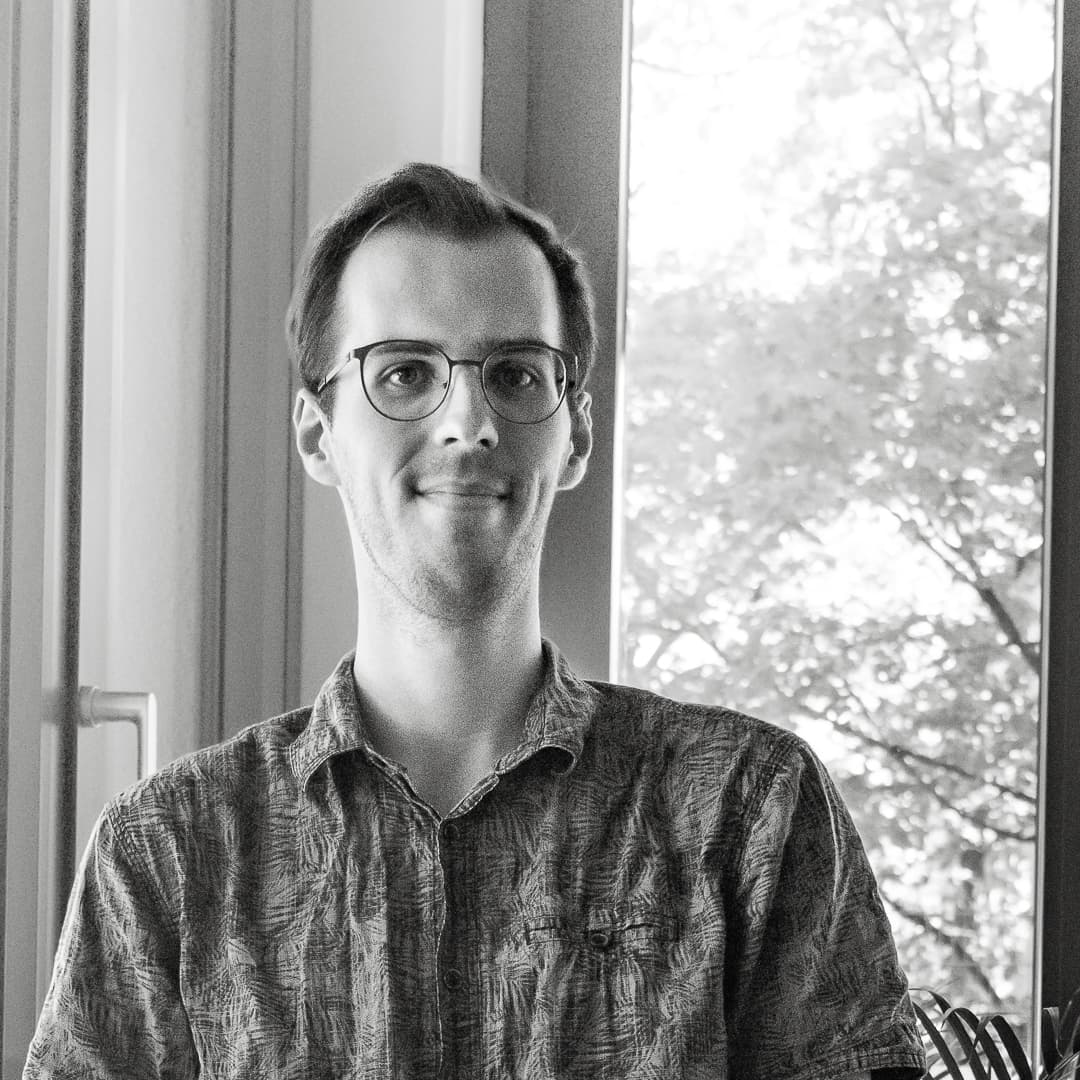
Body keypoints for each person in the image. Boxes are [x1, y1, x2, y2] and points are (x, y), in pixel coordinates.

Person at [25, 163, 927, 1079]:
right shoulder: (168, 854)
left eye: (515, 374)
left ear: (575, 434)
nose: (469, 421)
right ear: (316, 435)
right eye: (404, 373)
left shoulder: (751, 809)